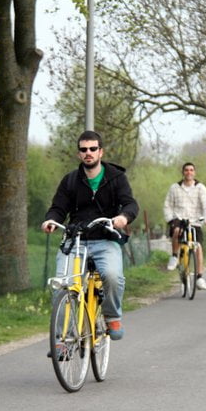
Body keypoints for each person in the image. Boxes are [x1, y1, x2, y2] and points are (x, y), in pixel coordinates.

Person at [41, 130, 139, 341]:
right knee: (62, 285)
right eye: (84, 150)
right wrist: (50, 219)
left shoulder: (116, 177)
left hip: (105, 239)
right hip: (75, 241)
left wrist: (123, 217)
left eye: (92, 149)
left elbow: (130, 203)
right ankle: (61, 339)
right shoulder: (70, 181)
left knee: (112, 276)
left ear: (100, 152)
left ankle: (112, 316)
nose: (88, 153)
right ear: (79, 154)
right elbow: (58, 207)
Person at [162, 162, 206, 290]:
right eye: (186, 170)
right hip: (179, 218)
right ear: (183, 172)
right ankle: (174, 256)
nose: (189, 172)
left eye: (191, 170)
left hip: (195, 220)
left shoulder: (200, 187)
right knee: (177, 231)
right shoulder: (175, 187)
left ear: (194, 172)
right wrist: (170, 219)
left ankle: (200, 277)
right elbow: (167, 204)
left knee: (198, 247)